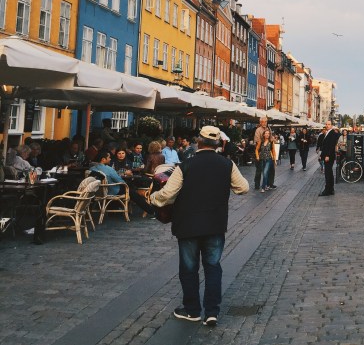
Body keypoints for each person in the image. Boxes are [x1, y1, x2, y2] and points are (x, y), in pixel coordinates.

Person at [150, 126, 249, 327]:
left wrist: (153, 198)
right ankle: (212, 312)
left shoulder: (185, 165)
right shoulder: (227, 164)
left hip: (188, 225)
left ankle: (192, 310)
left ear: (199, 142)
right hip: (215, 224)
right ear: (217, 143)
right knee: (213, 267)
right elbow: (243, 188)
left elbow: (167, 194)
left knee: (189, 268)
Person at [89, 150, 156, 215]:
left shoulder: (91, 169)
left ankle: (117, 209)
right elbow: (120, 181)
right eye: (109, 157)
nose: (110, 159)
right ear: (103, 159)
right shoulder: (109, 169)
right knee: (133, 193)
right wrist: (125, 183)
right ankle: (151, 210)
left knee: (130, 190)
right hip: (111, 191)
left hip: (96, 192)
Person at [319, 123, 340, 196]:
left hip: (329, 156)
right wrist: (321, 155)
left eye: (329, 124)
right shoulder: (328, 132)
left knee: (328, 173)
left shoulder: (332, 133)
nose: (327, 125)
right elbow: (325, 145)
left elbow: (331, 145)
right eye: (326, 124)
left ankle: (327, 190)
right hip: (327, 155)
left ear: (331, 126)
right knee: (329, 173)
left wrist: (327, 155)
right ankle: (331, 189)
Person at [257, 129, 274, 193]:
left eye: (268, 133)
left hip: (268, 159)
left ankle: (263, 187)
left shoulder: (271, 142)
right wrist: (257, 156)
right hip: (262, 159)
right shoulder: (261, 141)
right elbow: (256, 149)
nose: (267, 134)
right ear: (264, 134)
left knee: (265, 172)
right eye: (266, 133)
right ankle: (266, 185)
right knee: (265, 173)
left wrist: (275, 160)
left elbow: (273, 151)